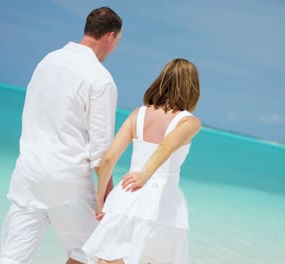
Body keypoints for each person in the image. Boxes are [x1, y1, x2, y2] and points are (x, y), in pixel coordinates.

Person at [0, 6, 122, 264]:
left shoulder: (48, 60)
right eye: (117, 42)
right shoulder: (100, 79)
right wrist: (107, 197)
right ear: (110, 37)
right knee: (94, 250)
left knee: (13, 258)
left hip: (28, 175)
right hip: (68, 182)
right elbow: (101, 151)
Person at [82, 58, 202, 264]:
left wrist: (100, 199)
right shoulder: (189, 122)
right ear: (192, 88)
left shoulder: (139, 114)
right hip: (162, 202)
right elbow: (167, 146)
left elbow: (109, 158)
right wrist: (145, 175)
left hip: (127, 194)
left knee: (110, 258)